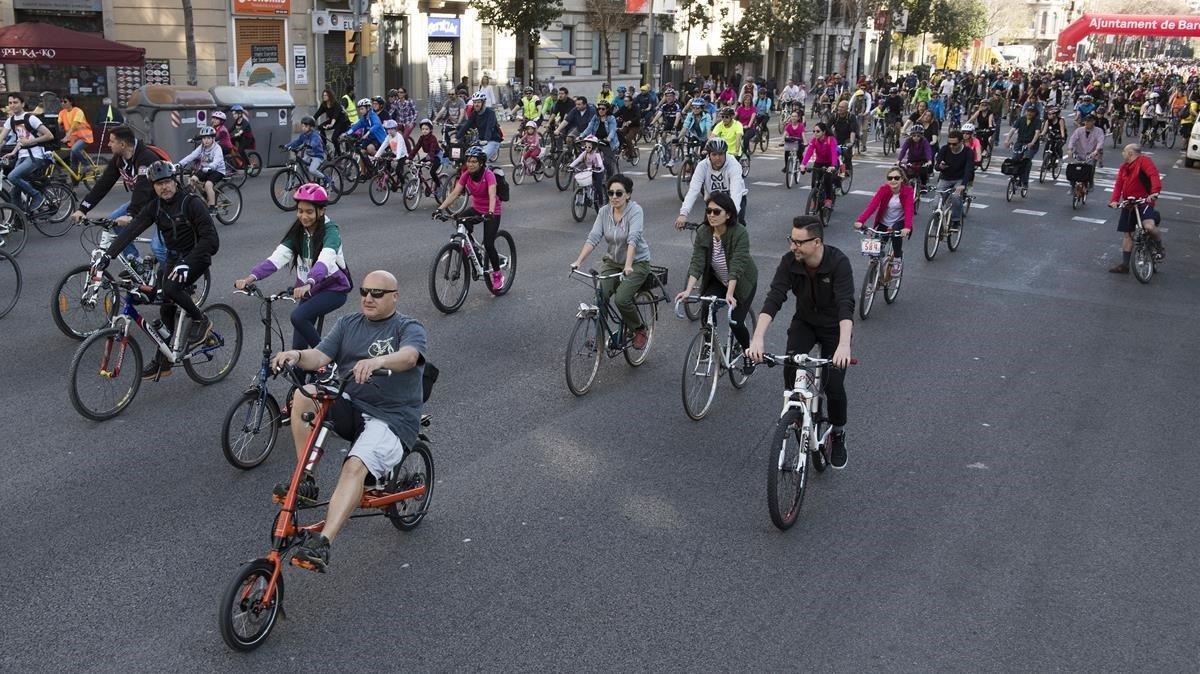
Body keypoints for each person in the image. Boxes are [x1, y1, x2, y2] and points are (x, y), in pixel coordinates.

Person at [270, 269, 427, 573]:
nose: (368, 298)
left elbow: (409, 357)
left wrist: (378, 360)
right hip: (353, 403)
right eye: (365, 291)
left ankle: (323, 543)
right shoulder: (348, 323)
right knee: (303, 395)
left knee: (353, 466)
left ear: (394, 296)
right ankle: (307, 479)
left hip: (393, 417)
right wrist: (294, 355)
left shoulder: (408, 326)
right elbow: (318, 356)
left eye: (377, 293)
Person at [92, 161, 219, 379]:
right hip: (171, 260)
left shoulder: (192, 203)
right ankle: (164, 361)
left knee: (170, 289)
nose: (164, 187)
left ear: (175, 181)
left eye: (167, 181)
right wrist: (107, 256)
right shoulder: (156, 206)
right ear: (153, 186)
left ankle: (201, 320)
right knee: (162, 305)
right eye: (158, 184)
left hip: (196, 258)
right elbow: (132, 230)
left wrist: (187, 262)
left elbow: (212, 241)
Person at [747, 216, 854, 469]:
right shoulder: (789, 262)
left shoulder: (838, 262)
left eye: (798, 242)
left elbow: (845, 306)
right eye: (791, 240)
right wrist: (758, 338)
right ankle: (796, 416)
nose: (793, 246)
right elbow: (774, 298)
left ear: (816, 242)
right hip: (804, 322)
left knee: (835, 385)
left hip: (833, 327)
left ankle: (838, 434)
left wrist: (844, 345)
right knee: (790, 368)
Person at [236, 184, 351, 350]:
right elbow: (277, 258)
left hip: (332, 289)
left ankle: (326, 360)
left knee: (298, 317)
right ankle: (305, 372)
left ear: (322, 211)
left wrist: (310, 282)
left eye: (309, 212)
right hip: (308, 290)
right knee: (298, 350)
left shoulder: (331, 232)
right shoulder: (298, 231)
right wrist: (250, 278)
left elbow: (325, 260)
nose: (303, 216)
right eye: (300, 211)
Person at [570, 174, 652, 350]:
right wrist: (578, 261)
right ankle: (599, 339)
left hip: (637, 263)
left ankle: (639, 329)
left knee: (622, 299)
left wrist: (629, 265)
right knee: (600, 297)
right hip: (613, 262)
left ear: (628, 195)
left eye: (619, 193)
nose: (614, 197)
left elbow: (633, 239)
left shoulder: (635, 211)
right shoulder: (604, 211)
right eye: (611, 193)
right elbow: (593, 238)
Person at [675, 190, 758, 357]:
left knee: (735, 322)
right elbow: (697, 262)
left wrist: (730, 293)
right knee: (707, 306)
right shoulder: (704, 232)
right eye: (708, 211)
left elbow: (736, 265)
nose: (711, 215)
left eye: (716, 211)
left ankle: (747, 352)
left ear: (728, 214)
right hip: (719, 280)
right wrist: (688, 290)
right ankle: (708, 343)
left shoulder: (739, 232)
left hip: (742, 283)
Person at [71, 124, 166, 263]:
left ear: (122, 144)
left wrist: (131, 215)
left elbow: (143, 189)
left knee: (158, 248)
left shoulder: (146, 158)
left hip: (164, 203)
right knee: (113, 221)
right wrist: (83, 209)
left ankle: (171, 279)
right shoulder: (119, 160)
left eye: (112, 141)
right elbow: (102, 185)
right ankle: (135, 262)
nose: (109, 144)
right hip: (144, 202)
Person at [435, 146, 505, 288]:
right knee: (460, 221)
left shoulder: (488, 175)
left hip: (492, 211)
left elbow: (492, 195)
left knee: (489, 244)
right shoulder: (466, 174)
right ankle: (472, 248)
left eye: (474, 161)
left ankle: (498, 274)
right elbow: (455, 193)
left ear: (481, 163)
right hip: (477, 208)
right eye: (468, 161)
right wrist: (440, 209)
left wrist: (490, 212)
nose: (471, 164)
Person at [1107, 144, 1164, 273]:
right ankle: (1125, 265)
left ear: (1131, 153)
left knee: (1149, 226)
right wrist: (1114, 200)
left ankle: (1160, 247)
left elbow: (1153, 175)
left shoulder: (1144, 161)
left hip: (1144, 202)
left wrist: (1154, 192)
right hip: (1129, 203)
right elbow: (1118, 185)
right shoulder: (1124, 167)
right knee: (1127, 234)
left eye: (1124, 152)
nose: (1123, 154)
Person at [854, 167, 915, 276]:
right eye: (890, 178)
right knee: (874, 254)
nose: (893, 180)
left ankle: (897, 259)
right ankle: (870, 284)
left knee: (896, 233)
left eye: (896, 177)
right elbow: (872, 205)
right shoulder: (883, 189)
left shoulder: (908, 191)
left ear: (902, 179)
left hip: (899, 222)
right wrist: (860, 221)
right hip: (884, 222)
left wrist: (907, 227)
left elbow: (909, 209)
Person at [675, 138, 749, 228]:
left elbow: (735, 191)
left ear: (725, 153)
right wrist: (683, 214)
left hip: (733, 200)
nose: (718, 158)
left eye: (721, 154)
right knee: (706, 229)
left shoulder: (733, 165)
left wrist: (733, 214)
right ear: (709, 155)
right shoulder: (702, 166)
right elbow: (693, 190)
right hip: (714, 200)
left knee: (736, 226)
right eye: (714, 154)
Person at [1, 93, 53, 212]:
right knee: (14, 191)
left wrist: (30, 142)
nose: (12, 105)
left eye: (15, 102)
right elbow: (3, 138)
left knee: (12, 176)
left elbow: (49, 135)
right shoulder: (11, 120)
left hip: (35, 156)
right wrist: (13, 152)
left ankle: (36, 196)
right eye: (10, 103)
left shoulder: (30, 118)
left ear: (22, 104)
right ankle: (20, 220)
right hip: (22, 155)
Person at [179, 125, 225, 209]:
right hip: (204, 169)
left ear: (213, 139)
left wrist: (211, 166)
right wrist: (180, 164)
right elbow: (192, 156)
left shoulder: (217, 148)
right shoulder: (202, 147)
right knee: (192, 180)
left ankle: (212, 208)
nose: (206, 140)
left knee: (208, 185)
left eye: (208, 138)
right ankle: (205, 194)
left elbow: (217, 161)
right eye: (204, 138)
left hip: (218, 171)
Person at [933, 129, 971, 230]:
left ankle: (955, 220)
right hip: (945, 178)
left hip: (959, 178)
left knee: (956, 196)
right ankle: (937, 227)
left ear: (961, 142)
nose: (951, 146)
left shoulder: (968, 152)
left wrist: (963, 184)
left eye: (954, 144)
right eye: (949, 143)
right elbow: (936, 166)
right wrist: (940, 166)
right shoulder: (945, 149)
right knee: (936, 204)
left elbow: (969, 169)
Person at [800, 122, 843, 209]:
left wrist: (833, 166)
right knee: (814, 183)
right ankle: (815, 200)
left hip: (830, 163)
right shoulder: (814, 140)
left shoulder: (831, 139)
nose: (815, 133)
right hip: (819, 162)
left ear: (823, 132)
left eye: (817, 131)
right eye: (814, 131)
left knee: (827, 179)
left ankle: (828, 200)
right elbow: (809, 152)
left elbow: (834, 153)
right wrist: (803, 164)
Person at [457, 92, 503, 161]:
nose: (476, 104)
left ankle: (489, 172)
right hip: (480, 140)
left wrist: (486, 140)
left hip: (492, 140)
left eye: (478, 102)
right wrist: (457, 137)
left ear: (483, 103)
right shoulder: (474, 114)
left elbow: (489, 127)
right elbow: (466, 125)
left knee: (481, 159)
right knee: (469, 157)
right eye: (474, 102)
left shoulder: (490, 113)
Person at [283, 116, 329, 185]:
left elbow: (314, 142)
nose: (303, 128)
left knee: (312, 170)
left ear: (311, 127)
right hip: (308, 155)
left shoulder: (315, 135)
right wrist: (286, 146)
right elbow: (297, 142)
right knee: (300, 165)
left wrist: (310, 145)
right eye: (302, 126)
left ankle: (326, 178)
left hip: (317, 156)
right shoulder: (303, 135)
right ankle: (303, 183)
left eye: (305, 126)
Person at [57, 95, 93, 177]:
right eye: (61, 101)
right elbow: (57, 124)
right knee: (73, 162)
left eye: (65, 101)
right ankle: (74, 183)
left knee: (74, 149)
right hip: (73, 139)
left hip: (84, 137)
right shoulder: (62, 113)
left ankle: (87, 165)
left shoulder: (78, 111)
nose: (62, 103)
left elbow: (74, 125)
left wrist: (66, 136)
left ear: (71, 102)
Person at [582, 100, 620, 178]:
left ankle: (609, 178)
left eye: (603, 109)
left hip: (608, 143)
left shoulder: (611, 118)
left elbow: (613, 130)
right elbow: (589, 127)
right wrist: (581, 135)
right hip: (596, 141)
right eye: (599, 108)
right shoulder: (596, 117)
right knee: (589, 159)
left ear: (607, 110)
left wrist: (609, 138)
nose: (601, 110)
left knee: (607, 163)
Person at [1066, 114, 1104, 190]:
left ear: (1093, 122)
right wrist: (1070, 149)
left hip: (1092, 154)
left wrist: (1096, 150)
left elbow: (1100, 142)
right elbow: (1072, 140)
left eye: (1089, 121)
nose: (1086, 123)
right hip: (1079, 153)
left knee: (1090, 168)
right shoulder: (1079, 130)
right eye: (1086, 121)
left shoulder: (1099, 131)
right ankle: (1072, 186)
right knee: (1073, 168)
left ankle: (1091, 183)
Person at [1006, 106, 1040, 189]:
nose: (1029, 113)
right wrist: (1007, 140)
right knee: (1015, 159)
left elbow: (1037, 132)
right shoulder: (1021, 119)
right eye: (1028, 111)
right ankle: (1015, 175)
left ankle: (1025, 182)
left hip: (1031, 144)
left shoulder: (1037, 121)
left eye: (1032, 112)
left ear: (1035, 113)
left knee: (1026, 160)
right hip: (1020, 143)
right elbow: (1013, 130)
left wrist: (1032, 142)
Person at [569, 135, 608, 206]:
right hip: (588, 171)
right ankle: (581, 197)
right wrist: (571, 166)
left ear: (593, 147)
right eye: (585, 146)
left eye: (589, 147)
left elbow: (600, 163)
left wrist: (599, 167)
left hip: (597, 171)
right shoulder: (585, 153)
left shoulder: (596, 154)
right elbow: (578, 159)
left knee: (598, 187)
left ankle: (601, 203)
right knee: (582, 183)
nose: (586, 148)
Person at [897, 124, 933, 190]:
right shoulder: (908, 141)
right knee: (907, 172)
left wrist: (929, 160)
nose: (916, 137)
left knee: (923, 171)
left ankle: (923, 185)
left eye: (918, 136)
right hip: (911, 160)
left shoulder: (924, 141)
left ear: (922, 136)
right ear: (911, 135)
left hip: (922, 159)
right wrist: (899, 160)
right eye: (914, 136)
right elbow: (903, 150)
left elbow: (928, 150)